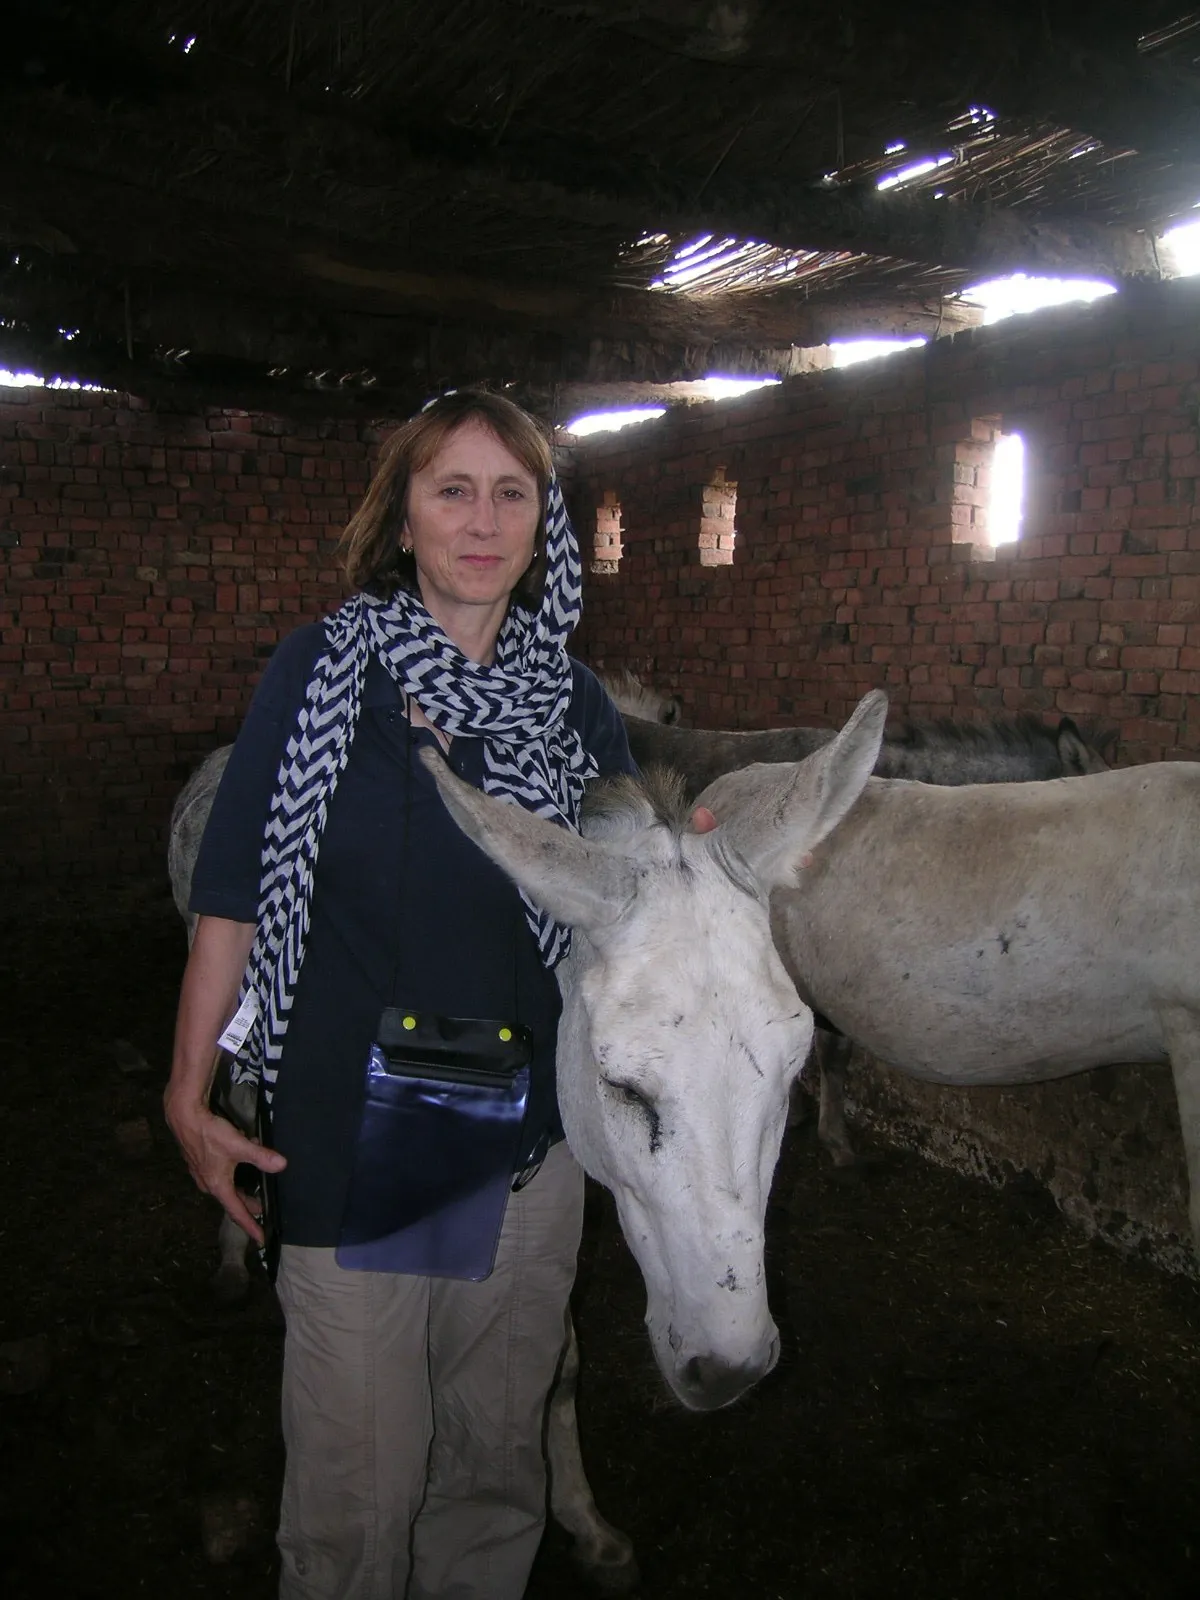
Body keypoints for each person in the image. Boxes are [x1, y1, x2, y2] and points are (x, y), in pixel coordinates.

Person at [163, 390, 635, 1600]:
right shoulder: (323, 673)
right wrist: (189, 1091)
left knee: (491, 1470)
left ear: (546, 523)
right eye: (453, 490)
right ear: (406, 517)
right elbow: (233, 896)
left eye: (512, 492)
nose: (483, 520)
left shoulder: (575, 705)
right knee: (362, 1492)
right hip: (369, 1123)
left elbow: (623, 901)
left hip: (528, 1133)